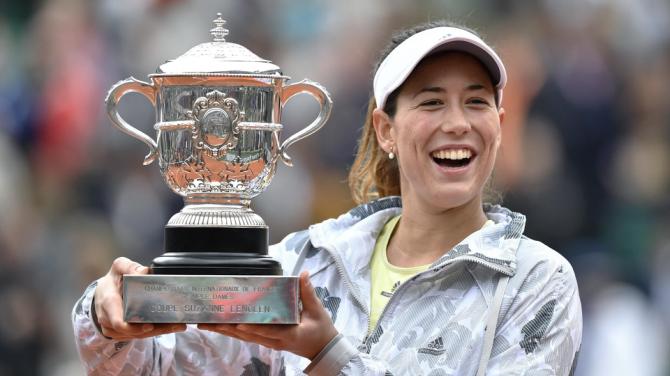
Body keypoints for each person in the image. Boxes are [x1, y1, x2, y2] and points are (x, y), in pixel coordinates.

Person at [72, 20, 582, 375]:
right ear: (385, 130)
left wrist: (328, 356)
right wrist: (105, 315)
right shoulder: (306, 264)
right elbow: (161, 367)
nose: (457, 123)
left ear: (498, 123)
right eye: (431, 102)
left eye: (476, 102)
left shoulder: (536, 282)